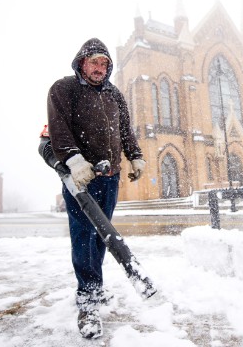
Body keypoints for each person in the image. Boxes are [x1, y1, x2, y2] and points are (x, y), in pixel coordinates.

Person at [46, 38, 145, 339]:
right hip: (82, 178)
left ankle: (95, 287)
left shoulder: (114, 94)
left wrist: (135, 155)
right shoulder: (64, 89)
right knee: (83, 237)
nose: (100, 68)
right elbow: (58, 128)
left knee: (102, 236)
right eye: (94, 62)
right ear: (82, 62)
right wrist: (74, 161)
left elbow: (125, 129)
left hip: (111, 176)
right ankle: (87, 299)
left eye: (104, 63)